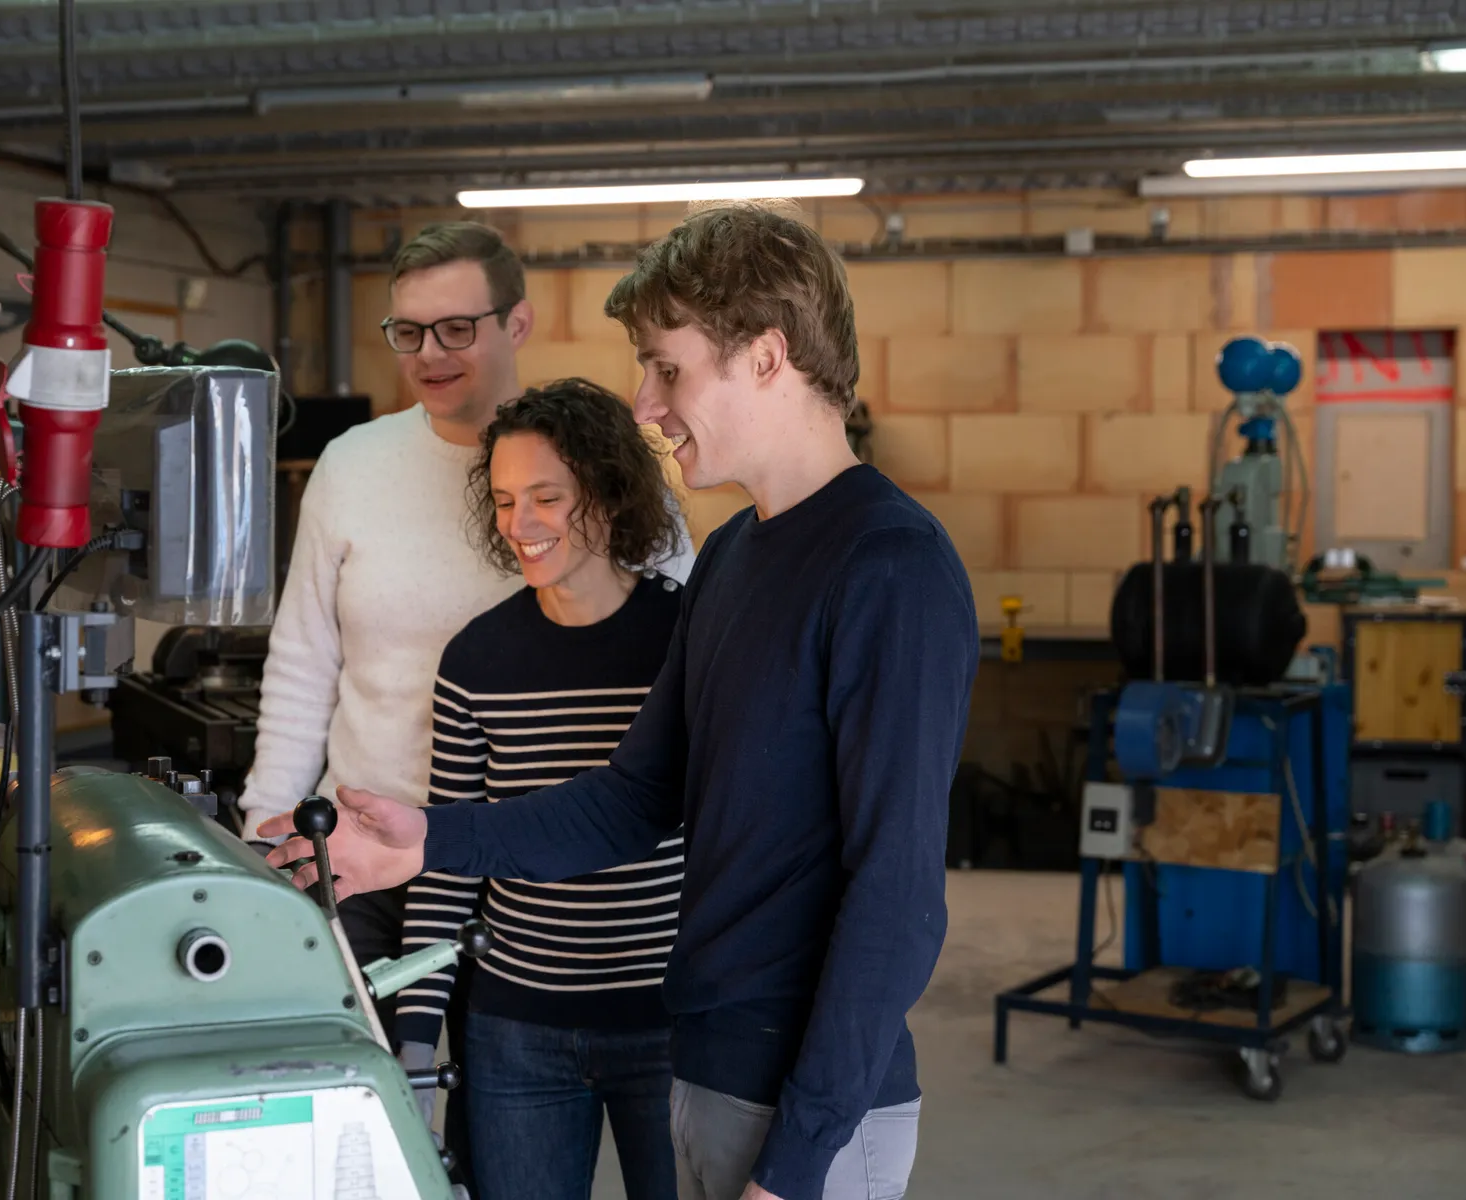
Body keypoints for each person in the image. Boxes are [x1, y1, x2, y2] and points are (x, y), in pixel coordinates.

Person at [271, 203, 978, 1200]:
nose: (644, 405)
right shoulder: (735, 555)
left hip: (807, 1111)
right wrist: (426, 841)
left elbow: (896, 899)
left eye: (668, 368)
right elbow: (633, 797)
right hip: (711, 1067)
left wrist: (799, 1160)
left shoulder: (889, 568)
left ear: (768, 356)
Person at [242, 220, 695, 1167]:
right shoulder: (352, 466)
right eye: (407, 332)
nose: (429, 355)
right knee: (363, 1142)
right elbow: (302, 660)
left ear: (517, 322)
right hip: (369, 856)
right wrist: (269, 828)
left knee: (505, 1131)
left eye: (456, 329)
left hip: (542, 864)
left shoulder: (602, 466)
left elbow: (679, 658)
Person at [396, 379, 685, 1200]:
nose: (520, 525)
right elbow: (445, 858)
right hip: (515, 1031)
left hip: (669, 1027)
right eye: (505, 500)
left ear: (607, 490)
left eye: (547, 497)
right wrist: (417, 1042)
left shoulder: (686, 640)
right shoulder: (477, 660)